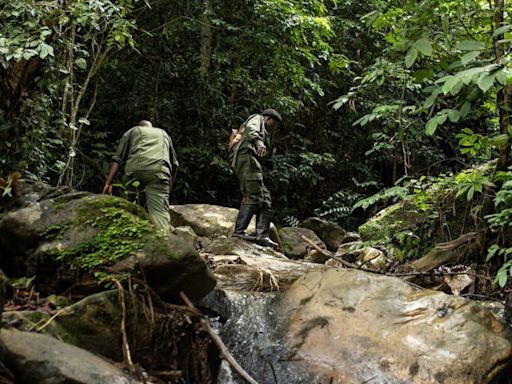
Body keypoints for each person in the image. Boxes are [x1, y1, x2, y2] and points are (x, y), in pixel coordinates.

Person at [103, 120, 179, 231]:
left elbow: (117, 159)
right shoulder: (163, 133)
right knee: (159, 213)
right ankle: (162, 241)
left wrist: (108, 183)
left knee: (127, 207)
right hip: (159, 173)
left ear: (140, 126)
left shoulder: (133, 131)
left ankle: (123, 233)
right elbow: (175, 164)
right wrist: (169, 186)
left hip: (135, 171)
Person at [230, 108, 281, 248]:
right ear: (268, 119)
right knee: (253, 195)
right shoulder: (257, 119)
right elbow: (251, 129)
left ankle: (262, 235)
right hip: (245, 157)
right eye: (274, 123)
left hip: (252, 161)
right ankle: (239, 231)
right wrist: (259, 143)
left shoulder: (265, 131)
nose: (274, 127)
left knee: (265, 199)